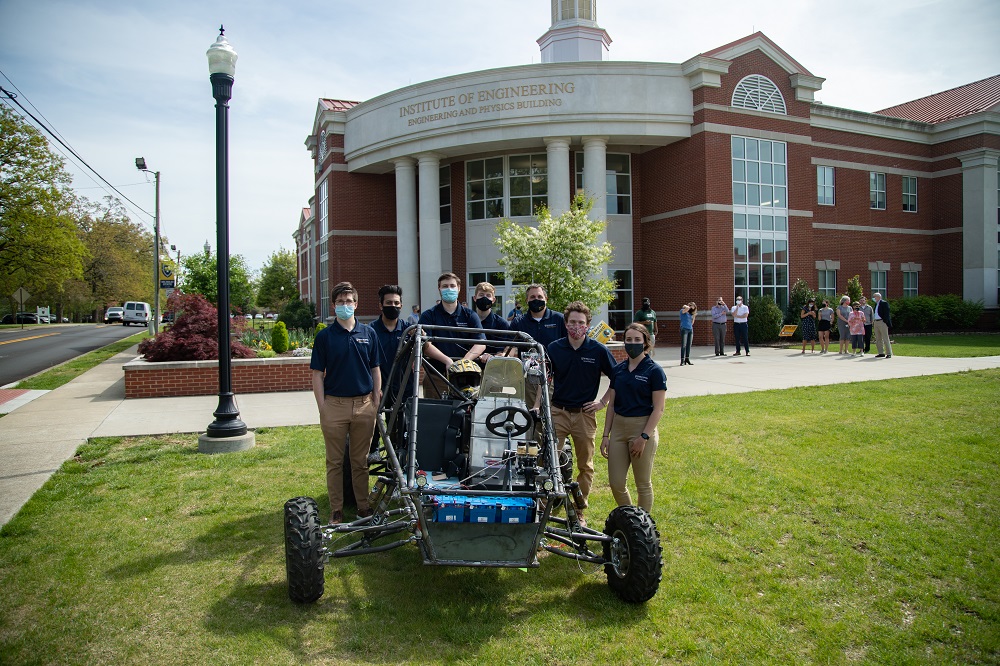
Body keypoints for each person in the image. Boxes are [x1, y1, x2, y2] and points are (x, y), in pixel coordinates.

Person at [311, 281, 382, 525]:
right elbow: (317, 374)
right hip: (335, 406)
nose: (345, 305)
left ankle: (363, 507)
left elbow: (375, 368)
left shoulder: (368, 333)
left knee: (360, 461)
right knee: (334, 461)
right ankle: (337, 510)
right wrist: (323, 407)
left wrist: (376, 397)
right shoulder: (325, 337)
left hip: (364, 405)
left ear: (356, 304)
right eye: (340, 302)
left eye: (349, 301)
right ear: (334, 305)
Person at [546, 301, 617, 524]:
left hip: (585, 415)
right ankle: (544, 505)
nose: (577, 326)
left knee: (585, 465)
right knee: (549, 461)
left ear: (587, 325)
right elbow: (544, 379)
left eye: (581, 323)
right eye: (573, 322)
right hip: (558, 412)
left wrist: (602, 403)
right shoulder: (554, 348)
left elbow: (617, 379)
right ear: (566, 324)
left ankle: (579, 509)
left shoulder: (598, 350)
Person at [599, 322, 667, 513]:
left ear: (646, 342)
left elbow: (659, 409)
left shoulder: (654, 371)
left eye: (637, 339)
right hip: (619, 429)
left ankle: (643, 527)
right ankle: (630, 519)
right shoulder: (618, 370)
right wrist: (606, 436)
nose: (632, 343)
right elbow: (611, 405)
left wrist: (644, 437)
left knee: (643, 483)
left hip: (642, 427)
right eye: (628, 339)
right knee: (616, 482)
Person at [417, 272, 486, 398]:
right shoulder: (428, 315)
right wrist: (447, 361)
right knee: (436, 415)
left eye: (452, 286)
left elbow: (480, 343)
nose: (449, 289)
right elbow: (425, 345)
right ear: (439, 289)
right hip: (436, 376)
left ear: (459, 288)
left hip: (466, 378)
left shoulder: (470, 315)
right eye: (445, 286)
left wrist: (463, 363)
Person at [510, 284, 567, 407]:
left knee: (552, 414)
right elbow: (510, 348)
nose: (536, 299)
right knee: (533, 414)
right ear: (527, 300)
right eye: (532, 297)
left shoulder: (559, 319)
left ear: (546, 298)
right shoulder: (519, 322)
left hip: (555, 376)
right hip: (530, 377)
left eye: (540, 296)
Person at [472, 281, 510, 365]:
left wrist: (491, 356)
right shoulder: (467, 321)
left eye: (488, 295)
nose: (484, 298)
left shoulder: (502, 324)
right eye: (481, 295)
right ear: (475, 298)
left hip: (492, 368)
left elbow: (502, 352)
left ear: (493, 300)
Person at [871, 292, 892, 358]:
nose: (874, 298)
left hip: (882, 322)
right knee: (878, 338)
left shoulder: (884, 303)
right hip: (876, 322)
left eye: (875, 297)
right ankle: (881, 352)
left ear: (878, 297)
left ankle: (888, 353)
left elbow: (886, 313)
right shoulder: (876, 304)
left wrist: (885, 321)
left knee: (885, 338)